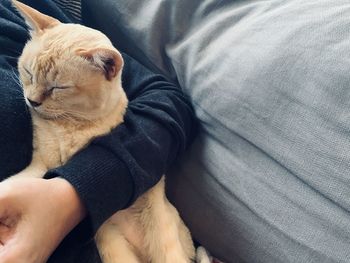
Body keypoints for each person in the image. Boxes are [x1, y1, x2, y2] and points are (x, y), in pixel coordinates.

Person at [0, 0, 197, 262]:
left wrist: (72, 194)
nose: (33, 97)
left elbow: (169, 101)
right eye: (27, 73)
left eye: (55, 89)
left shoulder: (80, 48)